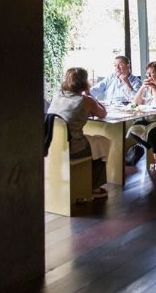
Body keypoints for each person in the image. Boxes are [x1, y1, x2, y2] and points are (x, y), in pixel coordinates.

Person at [47, 67, 110, 198]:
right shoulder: (86, 100)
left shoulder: (58, 95)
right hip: (73, 146)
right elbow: (103, 113)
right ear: (84, 82)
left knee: (93, 141)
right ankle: (95, 187)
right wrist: (90, 94)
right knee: (102, 142)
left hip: (51, 142)